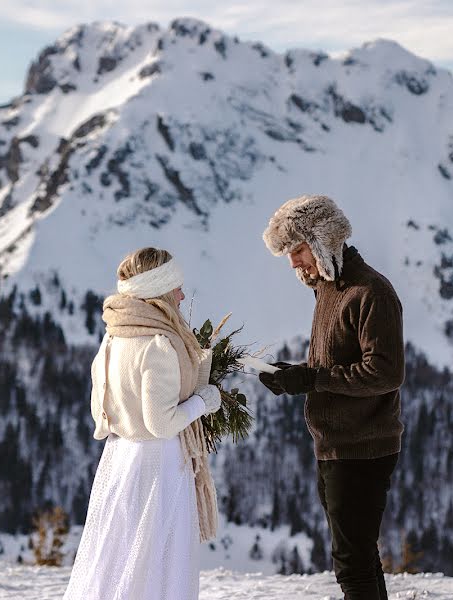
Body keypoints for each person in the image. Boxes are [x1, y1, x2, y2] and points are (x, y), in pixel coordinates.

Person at [259, 195, 405, 600]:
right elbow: (334, 363)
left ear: (323, 240)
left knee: (351, 565)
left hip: (363, 447)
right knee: (359, 558)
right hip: (336, 445)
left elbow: (386, 373)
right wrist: (297, 376)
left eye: (298, 249)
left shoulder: (370, 292)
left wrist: (313, 379)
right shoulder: (329, 288)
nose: (293, 262)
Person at [62, 247, 221, 600]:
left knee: (117, 555)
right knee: (158, 561)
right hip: (158, 466)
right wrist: (202, 402)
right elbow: (162, 424)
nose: (181, 295)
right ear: (159, 290)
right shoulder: (158, 344)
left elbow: (99, 410)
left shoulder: (112, 337)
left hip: (119, 460)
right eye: (176, 287)